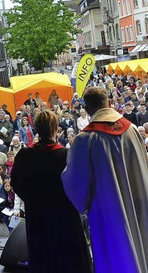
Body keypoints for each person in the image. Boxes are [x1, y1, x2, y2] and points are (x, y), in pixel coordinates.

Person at [62, 87, 148, 273]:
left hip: (109, 213)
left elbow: (76, 187)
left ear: (86, 109)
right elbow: (145, 166)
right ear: (108, 103)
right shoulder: (132, 130)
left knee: (118, 258)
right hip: (139, 204)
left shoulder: (84, 140)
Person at [12, 110, 91, 273]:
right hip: (64, 215)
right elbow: (78, 184)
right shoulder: (66, 155)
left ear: (36, 129)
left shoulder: (25, 155)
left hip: (37, 216)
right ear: (56, 128)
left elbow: (16, 183)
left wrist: (33, 199)